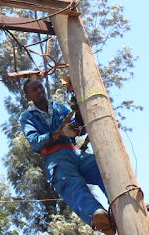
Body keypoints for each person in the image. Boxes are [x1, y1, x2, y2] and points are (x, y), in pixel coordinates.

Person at [20, 79, 116, 235]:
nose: (39, 90)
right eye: (34, 89)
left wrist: (78, 118)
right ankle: (98, 216)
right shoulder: (27, 117)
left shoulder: (60, 108)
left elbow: (79, 128)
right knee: (72, 183)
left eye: (40, 86)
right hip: (54, 157)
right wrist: (56, 134)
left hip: (75, 152)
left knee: (102, 168)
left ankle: (120, 203)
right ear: (27, 96)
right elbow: (35, 141)